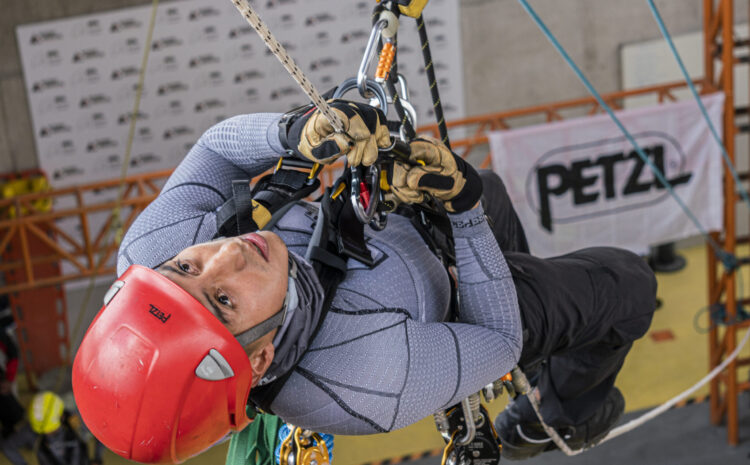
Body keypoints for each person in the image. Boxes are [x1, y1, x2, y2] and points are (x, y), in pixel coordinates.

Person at [74, 101, 656, 462]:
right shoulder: (365, 380)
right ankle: (560, 414)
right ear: (260, 357)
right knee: (627, 284)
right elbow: (499, 338)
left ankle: (527, 360)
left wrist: (293, 134)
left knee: (496, 188)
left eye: (187, 268)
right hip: (460, 310)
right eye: (223, 301)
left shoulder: (148, 256)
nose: (225, 253)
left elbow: (214, 152)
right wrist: (462, 208)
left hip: (389, 235)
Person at [0, 391, 104, 465]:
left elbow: (101, 431)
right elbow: (8, 447)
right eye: (45, 432)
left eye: (52, 430)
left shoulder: (74, 419)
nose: (48, 434)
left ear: (61, 417)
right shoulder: (31, 430)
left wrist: (97, 458)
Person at [0, 324, 23, 438]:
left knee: (9, 403)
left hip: (5, 377)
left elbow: (13, 355)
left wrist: (9, 379)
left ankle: (15, 427)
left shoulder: (2, 336)